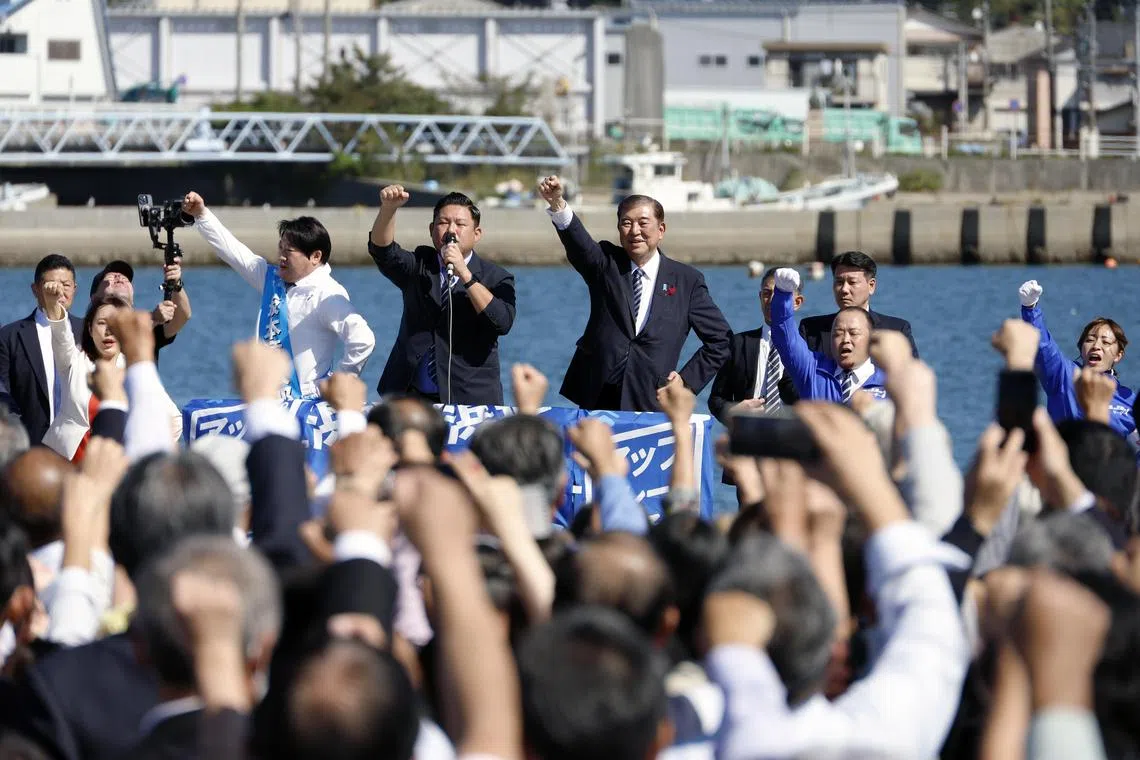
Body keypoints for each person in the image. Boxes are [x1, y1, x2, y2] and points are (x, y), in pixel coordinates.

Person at [538, 176, 731, 412]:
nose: (635, 231)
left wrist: (685, 382)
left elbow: (721, 340)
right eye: (626, 223)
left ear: (661, 230)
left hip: (651, 397)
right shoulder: (606, 263)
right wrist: (558, 203)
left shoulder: (686, 281)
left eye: (643, 223)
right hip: (596, 393)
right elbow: (580, 245)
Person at [182, 191, 375, 400]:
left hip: (306, 408)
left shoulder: (328, 293)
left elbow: (362, 340)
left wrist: (337, 385)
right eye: (280, 247)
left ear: (315, 256)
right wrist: (201, 215)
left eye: (288, 251)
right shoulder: (271, 279)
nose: (281, 256)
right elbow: (233, 252)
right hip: (267, 400)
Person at [368, 186, 516, 405]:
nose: (451, 230)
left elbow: (502, 323)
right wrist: (388, 209)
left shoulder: (496, 277)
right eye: (443, 223)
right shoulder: (419, 264)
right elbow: (383, 251)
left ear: (477, 234)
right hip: (409, 396)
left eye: (460, 224)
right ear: (431, 229)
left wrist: (464, 274)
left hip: (470, 399)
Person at [38, 289, 179, 463]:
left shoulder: (134, 369)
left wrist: (143, 454)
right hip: (66, 463)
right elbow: (61, 333)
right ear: (90, 328)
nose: (108, 331)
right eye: (102, 323)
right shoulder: (72, 360)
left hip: (114, 467)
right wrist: (53, 305)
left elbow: (174, 420)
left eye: (115, 325)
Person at [1017, 279, 1136, 440]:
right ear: (1081, 348)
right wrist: (1030, 308)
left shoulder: (1130, 400)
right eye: (1090, 340)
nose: (1096, 346)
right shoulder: (1065, 376)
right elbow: (1043, 348)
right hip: (1065, 462)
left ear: (1118, 355)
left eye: (1106, 342)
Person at [769, 268, 887, 404]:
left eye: (854, 333)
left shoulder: (889, 384)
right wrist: (783, 294)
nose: (845, 340)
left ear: (871, 340)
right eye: (838, 333)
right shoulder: (812, 370)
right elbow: (785, 337)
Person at [0, 255, 83, 445]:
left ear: (75, 289)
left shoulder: (87, 332)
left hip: (79, 447)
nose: (58, 291)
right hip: (29, 445)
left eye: (65, 285)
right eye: (51, 285)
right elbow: (3, 394)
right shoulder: (9, 336)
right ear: (35, 289)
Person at [708, 267, 803, 425]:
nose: (772, 300)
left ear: (797, 302)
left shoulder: (809, 347)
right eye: (766, 293)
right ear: (760, 297)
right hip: (748, 437)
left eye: (780, 294)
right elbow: (716, 399)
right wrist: (734, 411)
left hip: (794, 440)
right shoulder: (739, 344)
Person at [798, 251, 918, 358]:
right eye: (839, 282)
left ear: (871, 286)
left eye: (852, 282)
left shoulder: (896, 330)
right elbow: (793, 378)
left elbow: (910, 377)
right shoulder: (810, 330)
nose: (844, 289)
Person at [89, 259, 192, 365]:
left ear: (132, 297)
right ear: (94, 297)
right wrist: (153, 318)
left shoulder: (149, 329)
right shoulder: (83, 333)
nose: (119, 277)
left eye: (125, 279)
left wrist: (175, 283)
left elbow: (182, 315)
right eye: (110, 277)